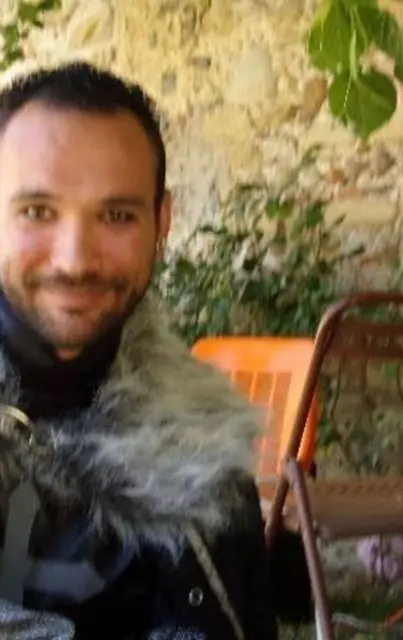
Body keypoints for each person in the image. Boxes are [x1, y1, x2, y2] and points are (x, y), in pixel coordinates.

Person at [0, 60, 278, 639]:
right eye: (37, 211)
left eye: (116, 215)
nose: (75, 260)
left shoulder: (204, 450)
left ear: (161, 222)